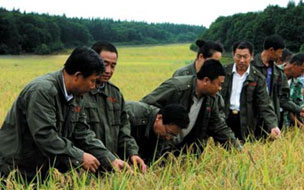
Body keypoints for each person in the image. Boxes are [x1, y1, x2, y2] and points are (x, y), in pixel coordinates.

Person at [0, 47, 130, 182]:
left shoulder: (77, 95)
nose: (93, 87)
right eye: (92, 81)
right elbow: (45, 135)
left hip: (40, 170)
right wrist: (80, 157)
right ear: (78, 76)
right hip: (14, 169)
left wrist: (110, 159)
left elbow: (82, 132)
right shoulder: (42, 91)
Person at [141, 59, 241, 150]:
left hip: (184, 149)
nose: (220, 88)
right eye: (219, 84)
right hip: (158, 147)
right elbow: (145, 108)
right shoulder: (177, 88)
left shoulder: (211, 99)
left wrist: (237, 149)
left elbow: (217, 125)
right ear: (206, 80)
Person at [85, 41, 147, 172]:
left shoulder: (115, 94)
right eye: (104, 64)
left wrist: (132, 153)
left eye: (113, 66)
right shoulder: (80, 91)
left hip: (112, 167)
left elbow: (124, 130)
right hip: (87, 167)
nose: (108, 70)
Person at [220, 41, 280, 141]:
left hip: (246, 120)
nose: (242, 60)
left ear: (251, 56)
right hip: (225, 117)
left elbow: (265, 104)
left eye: (245, 57)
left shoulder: (258, 77)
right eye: (238, 56)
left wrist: (273, 125)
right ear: (233, 55)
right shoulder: (223, 72)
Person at [251, 34, 304, 130]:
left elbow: (283, 99)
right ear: (271, 50)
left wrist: (298, 109)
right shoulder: (250, 67)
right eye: (280, 52)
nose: (281, 55)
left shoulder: (278, 73)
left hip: (270, 119)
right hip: (252, 117)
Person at [125, 102, 189, 165]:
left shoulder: (161, 136)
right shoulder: (132, 113)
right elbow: (124, 137)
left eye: (172, 135)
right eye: (168, 132)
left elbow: (154, 159)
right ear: (159, 118)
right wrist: (133, 154)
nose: (168, 137)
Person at [281, 53, 304, 129]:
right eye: (302, 70)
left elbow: (297, 107)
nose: (302, 74)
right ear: (294, 65)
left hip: (287, 126)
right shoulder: (274, 73)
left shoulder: (298, 84)